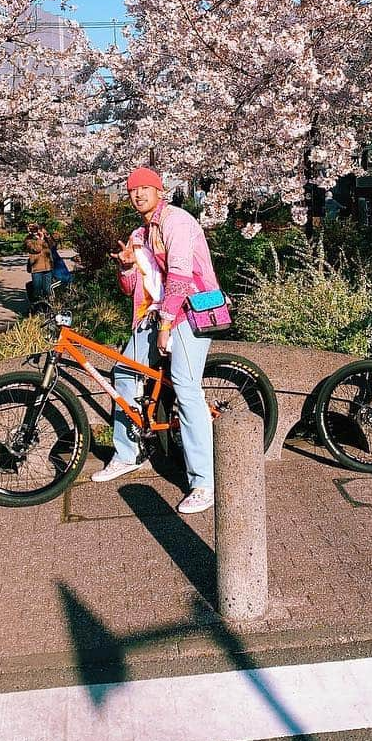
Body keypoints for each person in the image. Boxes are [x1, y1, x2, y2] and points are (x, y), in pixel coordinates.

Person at [94, 165, 220, 515]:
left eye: (145, 188)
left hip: (192, 308)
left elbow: (180, 275)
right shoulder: (140, 234)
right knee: (124, 372)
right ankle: (126, 454)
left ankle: (204, 482)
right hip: (157, 313)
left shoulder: (176, 222)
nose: (137, 194)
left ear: (159, 191)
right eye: (133, 189)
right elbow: (134, 291)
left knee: (185, 385)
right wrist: (126, 267)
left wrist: (166, 324)